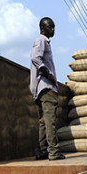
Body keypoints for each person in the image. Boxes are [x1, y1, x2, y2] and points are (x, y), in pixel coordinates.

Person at [30, 17, 64, 161]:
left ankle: (43, 150)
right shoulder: (42, 40)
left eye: (53, 27)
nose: (53, 30)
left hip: (39, 88)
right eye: (50, 27)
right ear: (42, 28)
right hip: (46, 86)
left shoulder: (42, 41)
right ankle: (54, 152)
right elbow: (35, 58)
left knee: (44, 121)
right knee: (50, 120)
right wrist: (48, 74)